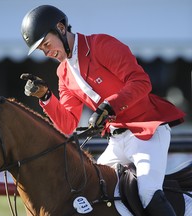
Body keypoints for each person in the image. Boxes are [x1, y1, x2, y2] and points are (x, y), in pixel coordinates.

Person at [20, 5, 185, 216]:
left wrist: (109, 106)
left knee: (148, 194)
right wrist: (45, 96)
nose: (47, 52)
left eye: (46, 44)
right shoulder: (63, 73)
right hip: (117, 141)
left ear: (61, 28)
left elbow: (141, 82)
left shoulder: (101, 44)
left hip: (146, 131)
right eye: (42, 50)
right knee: (90, 192)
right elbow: (68, 123)